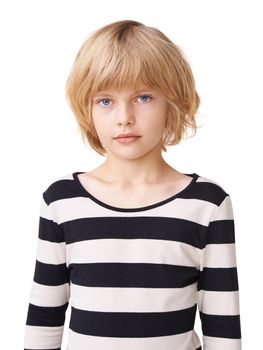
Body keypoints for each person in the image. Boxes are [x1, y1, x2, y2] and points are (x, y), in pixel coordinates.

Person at [24, 19, 242, 350]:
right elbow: (45, 313)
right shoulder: (62, 202)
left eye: (143, 97)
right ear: (88, 109)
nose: (124, 116)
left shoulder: (207, 205)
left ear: (173, 101)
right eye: (105, 101)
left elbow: (222, 326)